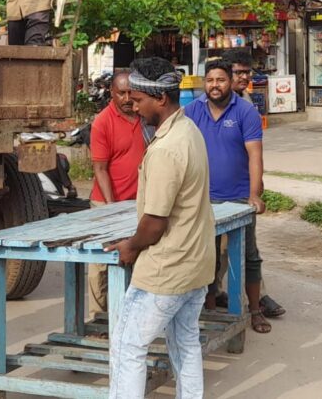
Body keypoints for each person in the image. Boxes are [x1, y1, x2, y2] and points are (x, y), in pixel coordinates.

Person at [107, 58, 215, 399]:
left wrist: (130, 246)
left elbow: (154, 223)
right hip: (195, 264)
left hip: (166, 270)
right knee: (185, 343)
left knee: (128, 346)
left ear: (161, 99)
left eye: (138, 100)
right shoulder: (189, 130)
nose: (133, 107)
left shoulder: (166, 148)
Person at [184, 60, 271, 334]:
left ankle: (254, 310)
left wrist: (254, 195)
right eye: (210, 80)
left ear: (230, 81)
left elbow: (255, 155)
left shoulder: (245, 111)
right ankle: (208, 308)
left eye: (220, 80)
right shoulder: (192, 111)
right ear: (204, 83)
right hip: (202, 200)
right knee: (206, 256)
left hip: (238, 199)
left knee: (248, 256)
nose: (215, 86)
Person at [221, 49, 286, 319]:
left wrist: (256, 189)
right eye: (239, 72)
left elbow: (254, 153)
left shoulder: (246, 103)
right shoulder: (209, 103)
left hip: (241, 190)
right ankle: (215, 298)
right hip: (214, 193)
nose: (245, 77)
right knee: (219, 251)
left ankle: (256, 302)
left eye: (247, 72)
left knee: (247, 248)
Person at [87, 70, 147, 315]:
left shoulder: (145, 116)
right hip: (107, 202)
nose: (126, 98)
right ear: (111, 92)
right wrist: (112, 206)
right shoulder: (103, 121)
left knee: (136, 256)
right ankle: (98, 317)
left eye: (130, 93)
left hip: (138, 202)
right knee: (102, 261)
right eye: (120, 93)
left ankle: (130, 313)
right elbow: (100, 168)